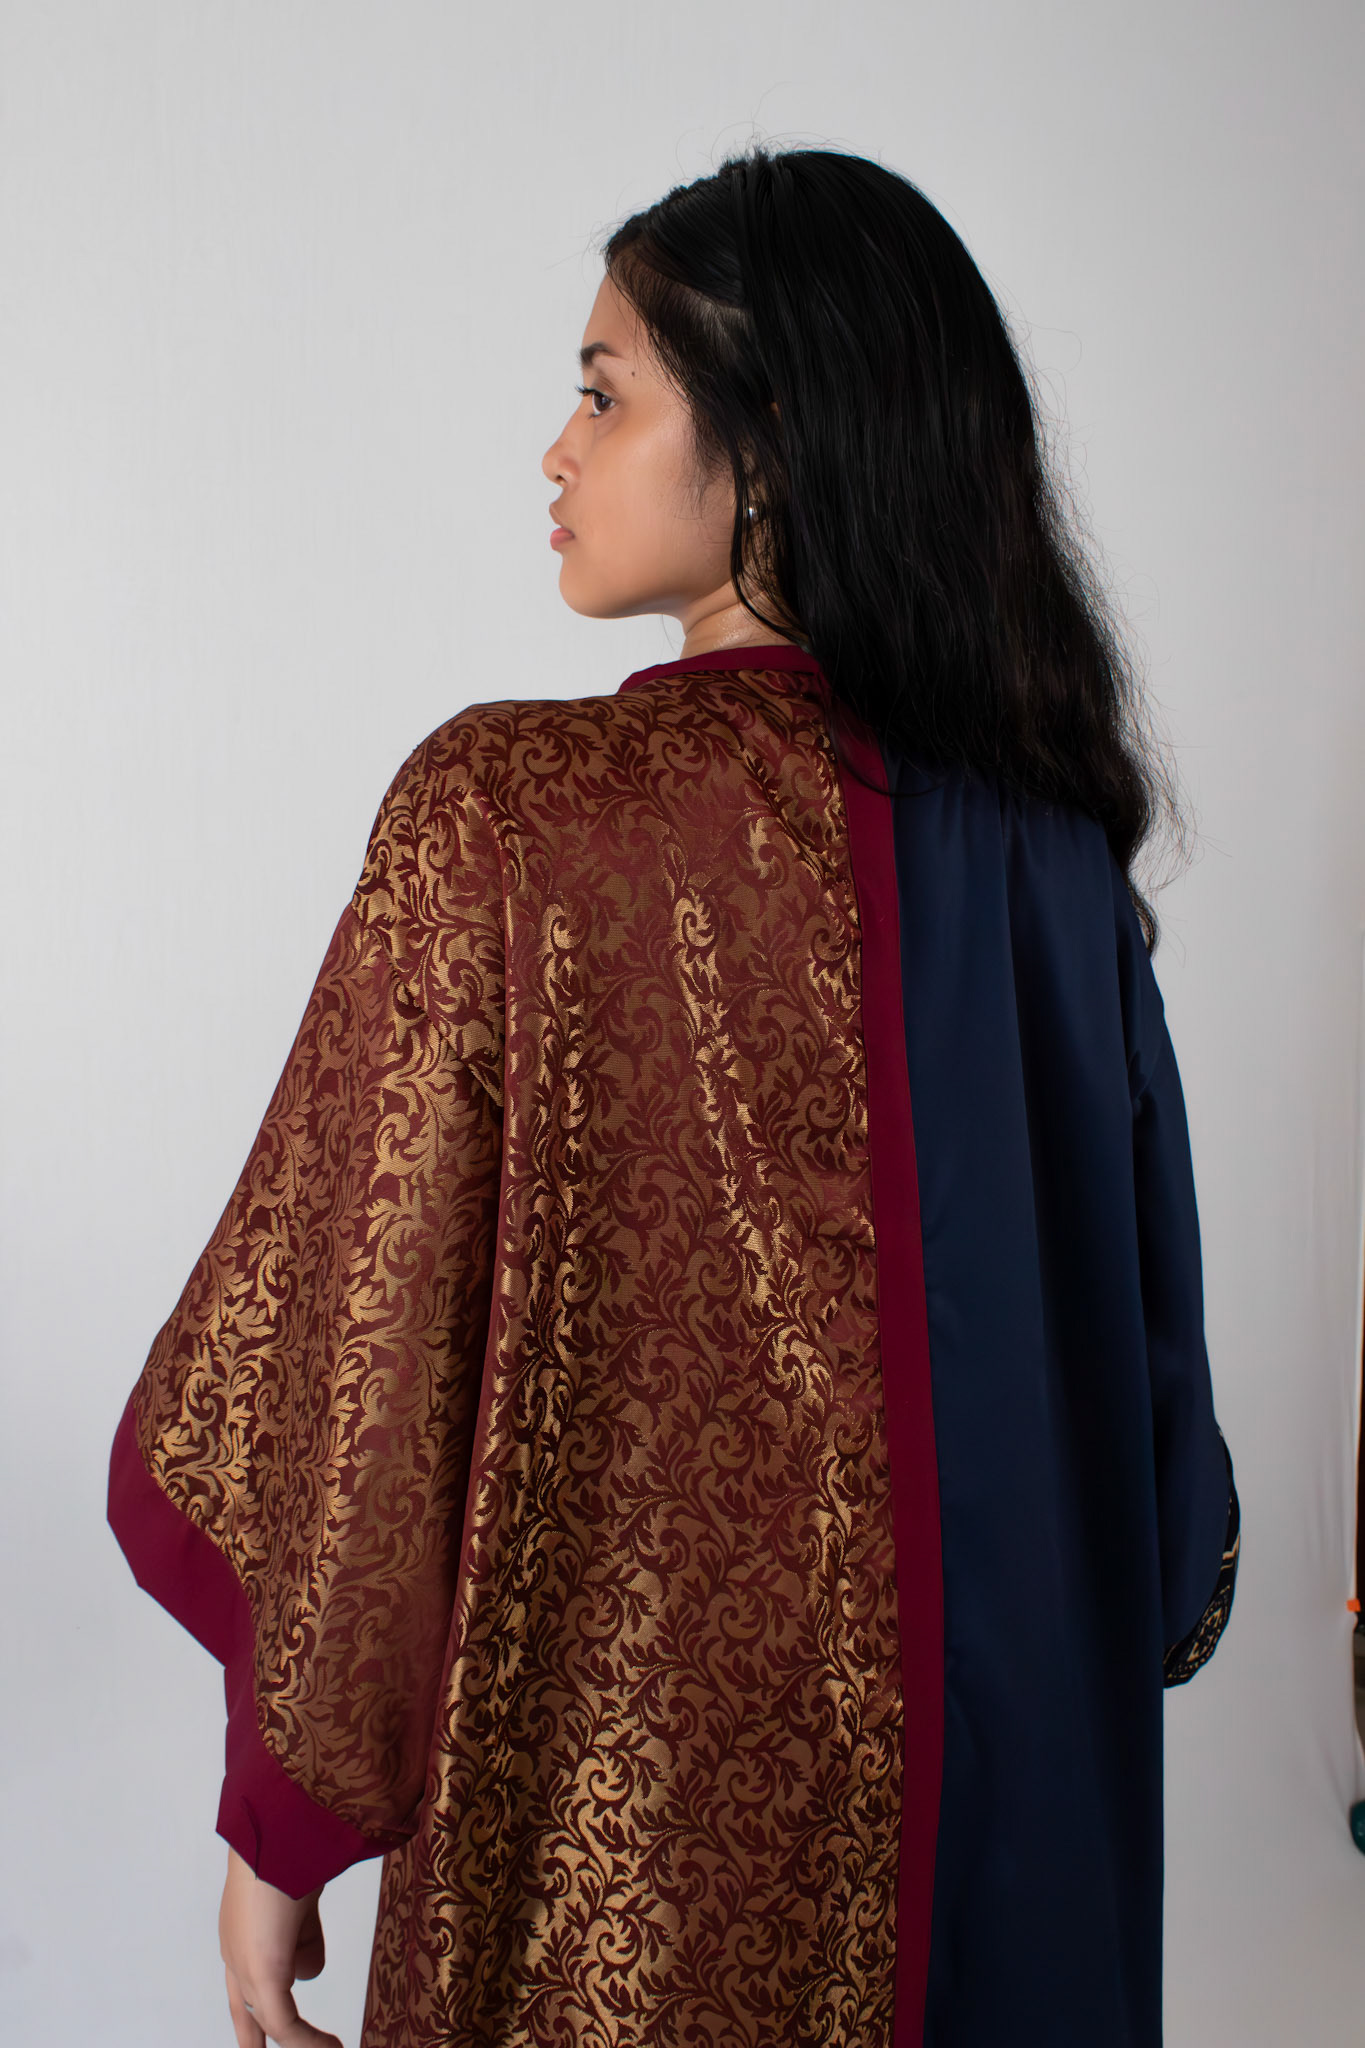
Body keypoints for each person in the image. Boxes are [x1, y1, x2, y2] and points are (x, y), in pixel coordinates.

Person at [107, 144, 1239, 2048]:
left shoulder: (504, 819)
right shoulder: (1053, 865)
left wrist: (277, 1823)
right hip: (1022, 1880)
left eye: (604, 391)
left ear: (768, 438)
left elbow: (361, 1354)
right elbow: (1153, 1469)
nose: (555, 451)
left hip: (619, 1893)